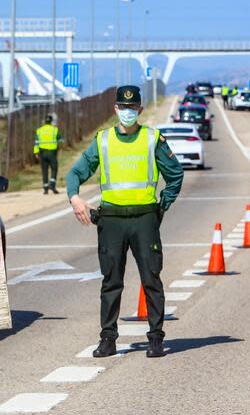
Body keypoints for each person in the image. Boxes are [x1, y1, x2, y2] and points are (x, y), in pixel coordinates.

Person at [66, 85, 184, 358]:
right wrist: (75, 198)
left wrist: (161, 206)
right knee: (111, 282)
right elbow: (76, 173)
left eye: (132, 108)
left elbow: (175, 175)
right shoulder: (103, 140)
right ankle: (108, 338)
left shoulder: (153, 138)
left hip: (144, 220)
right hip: (112, 222)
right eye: (123, 107)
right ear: (115, 109)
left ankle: (156, 338)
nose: (128, 112)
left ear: (140, 110)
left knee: (151, 279)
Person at [34, 115, 62, 194]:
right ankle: (52, 185)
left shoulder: (39, 130)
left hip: (42, 153)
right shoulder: (55, 130)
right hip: (52, 152)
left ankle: (46, 188)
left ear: (44, 121)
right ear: (51, 121)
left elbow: (36, 142)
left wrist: (36, 152)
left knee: (44, 170)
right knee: (54, 168)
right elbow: (60, 140)